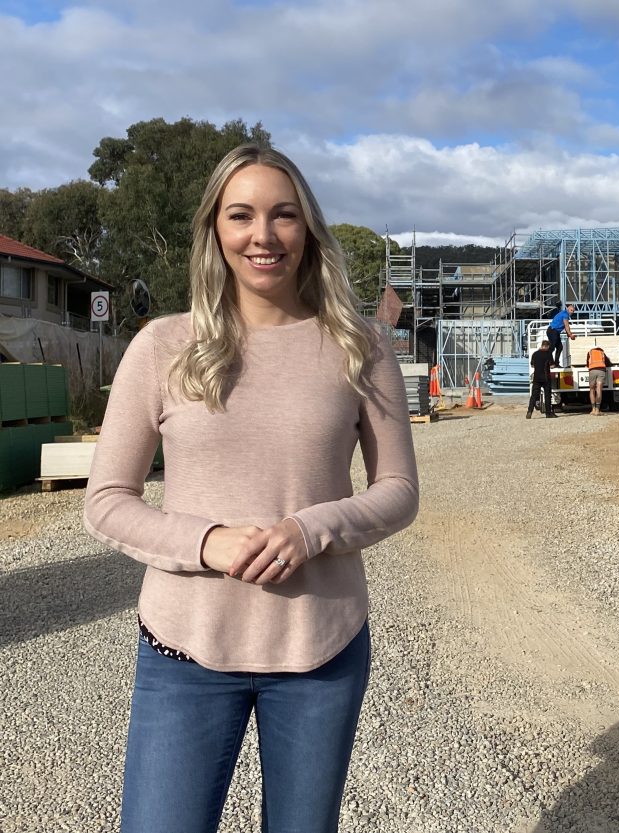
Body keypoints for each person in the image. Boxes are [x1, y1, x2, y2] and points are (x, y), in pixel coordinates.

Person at [83, 143, 420, 833]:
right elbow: (107, 501)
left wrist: (309, 529)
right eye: (241, 215)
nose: (262, 235)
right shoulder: (161, 346)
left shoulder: (362, 347)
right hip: (185, 649)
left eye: (283, 215)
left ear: (308, 229)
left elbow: (398, 490)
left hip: (320, 650)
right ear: (215, 229)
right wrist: (208, 541)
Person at [527, 338, 556, 419]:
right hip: (546, 377)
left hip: (536, 377)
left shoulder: (535, 354)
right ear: (547, 346)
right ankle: (548, 413)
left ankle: (529, 412)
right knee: (547, 396)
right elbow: (552, 365)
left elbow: (532, 365)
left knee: (533, 395)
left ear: (542, 345)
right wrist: (552, 366)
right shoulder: (548, 353)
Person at [546, 302, 575, 366]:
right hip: (553, 331)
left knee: (559, 347)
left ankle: (556, 363)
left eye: (573, 311)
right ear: (567, 309)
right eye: (571, 310)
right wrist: (570, 335)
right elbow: (566, 325)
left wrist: (568, 334)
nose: (572, 312)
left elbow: (566, 326)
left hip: (554, 331)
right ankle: (551, 363)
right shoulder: (565, 314)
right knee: (552, 348)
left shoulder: (564, 314)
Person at [586, 345, 612, 416]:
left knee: (592, 389)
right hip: (601, 370)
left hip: (592, 371)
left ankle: (593, 409)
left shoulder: (590, 352)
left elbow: (587, 363)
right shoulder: (602, 352)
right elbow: (608, 363)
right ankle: (597, 410)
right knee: (599, 390)